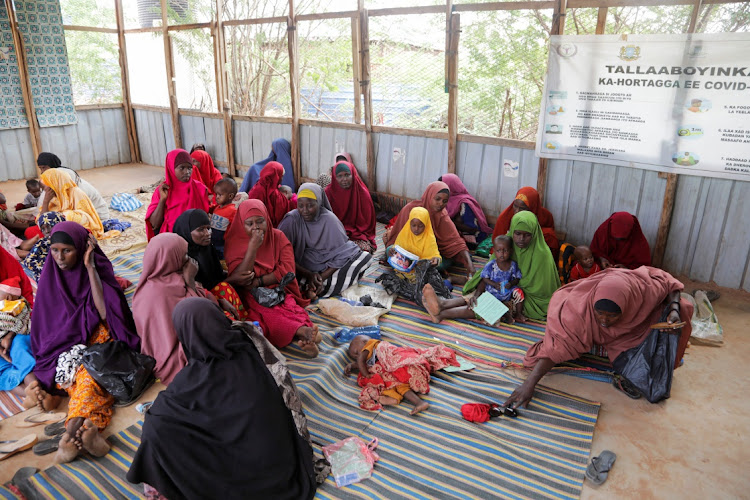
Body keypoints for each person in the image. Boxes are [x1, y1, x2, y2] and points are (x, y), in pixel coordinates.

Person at [127, 298, 317, 500]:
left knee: (155, 427)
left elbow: (163, 418)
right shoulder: (254, 347)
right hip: (280, 465)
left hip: (242, 477)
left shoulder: (196, 377)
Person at [28, 221, 140, 463]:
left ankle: (70, 434)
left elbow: (104, 314)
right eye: (55, 250)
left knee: (91, 374)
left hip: (97, 342)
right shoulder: (50, 278)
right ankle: (88, 430)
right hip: (65, 349)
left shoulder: (98, 271)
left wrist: (90, 268)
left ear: (81, 248)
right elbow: (44, 331)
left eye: (67, 250)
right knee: (84, 377)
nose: (59, 257)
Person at [503, 267, 693, 408]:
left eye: (612, 316)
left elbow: (670, 284)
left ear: (626, 307)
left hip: (634, 325)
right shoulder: (577, 312)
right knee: (561, 346)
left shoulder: (642, 290)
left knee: (683, 307)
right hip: (582, 312)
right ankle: (594, 344)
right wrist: (529, 384)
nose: (604, 320)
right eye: (600, 313)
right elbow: (557, 350)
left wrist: (674, 311)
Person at [133, 233, 236, 385]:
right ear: (170, 257)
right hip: (178, 353)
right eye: (184, 254)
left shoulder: (155, 283)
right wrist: (190, 282)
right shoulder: (161, 292)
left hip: (184, 341)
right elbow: (200, 317)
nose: (188, 258)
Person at [224, 200, 320, 357]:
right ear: (242, 223)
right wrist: (252, 248)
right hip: (249, 293)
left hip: (279, 287)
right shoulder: (234, 242)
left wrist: (260, 281)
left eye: (260, 221)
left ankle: (306, 332)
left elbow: (288, 271)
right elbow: (242, 278)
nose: (256, 227)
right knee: (261, 316)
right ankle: (303, 332)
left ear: (267, 220)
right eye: (250, 223)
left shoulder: (278, 237)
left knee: (288, 306)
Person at [279, 184, 372, 299]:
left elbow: (345, 252)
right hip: (301, 267)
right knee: (285, 273)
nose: (305, 211)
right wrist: (309, 274)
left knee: (365, 257)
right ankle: (317, 286)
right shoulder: (292, 219)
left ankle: (313, 286)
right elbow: (281, 252)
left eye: (310, 205)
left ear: (319, 203)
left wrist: (321, 277)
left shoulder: (330, 220)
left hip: (327, 267)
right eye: (300, 205)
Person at [422, 235, 525, 325]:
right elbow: (484, 280)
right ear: (494, 251)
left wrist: (511, 283)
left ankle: (441, 314)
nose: (502, 254)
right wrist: (477, 295)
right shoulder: (492, 265)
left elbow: (516, 279)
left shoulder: (513, 265)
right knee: (471, 300)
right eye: (498, 251)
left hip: (502, 301)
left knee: (474, 309)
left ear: (510, 251)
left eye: (505, 251)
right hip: (489, 294)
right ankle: (441, 305)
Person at [344, 335, 458, 414]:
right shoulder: (370, 358)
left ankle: (394, 396)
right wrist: (351, 366)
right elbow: (363, 363)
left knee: (392, 375)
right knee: (399, 385)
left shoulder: (371, 345)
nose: (358, 355)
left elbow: (361, 362)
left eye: (356, 352)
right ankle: (419, 402)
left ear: (364, 342)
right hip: (398, 372)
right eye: (354, 356)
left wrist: (365, 374)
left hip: (397, 362)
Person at [385, 181, 476, 280]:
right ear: (429, 196)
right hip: (406, 251)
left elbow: (456, 242)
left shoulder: (442, 215)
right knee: (390, 251)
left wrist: (469, 264)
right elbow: (397, 238)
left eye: (445, 201)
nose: (441, 204)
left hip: (427, 253)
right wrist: (395, 250)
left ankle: (421, 269)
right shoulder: (410, 210)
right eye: (437, 199)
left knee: (441, 263)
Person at [173, 209, 246, 320]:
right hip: (196, 304)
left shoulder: (206, 248)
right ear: (187, 231)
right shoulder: (182, 259)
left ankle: (242, 322)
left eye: (208, 228)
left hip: (210, 295)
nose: (208, 233)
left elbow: (216, 277)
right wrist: (218, 300)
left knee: (225, 288)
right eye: (201, 230)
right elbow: (190, 295)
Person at [146, 149, 209, 241]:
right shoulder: (163, 190)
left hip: (197, 238)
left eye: (189, 168)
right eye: (182, 168)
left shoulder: (200, 188)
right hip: (173, 238)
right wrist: (162, 200)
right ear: (171, 168)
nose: (187, 172)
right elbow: (154, 225)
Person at [36, 152, 110, 221]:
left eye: (44, 167)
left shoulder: (74, 188)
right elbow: (42, 217)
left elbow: (76, 215)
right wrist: (46, 201)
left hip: (97, 218)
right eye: (40, 168)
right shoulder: (50, 186)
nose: (42, 172)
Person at [325, 157, 377, 253]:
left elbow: (368, 225)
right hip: (335, 232)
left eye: (347, 175)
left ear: (353, 174)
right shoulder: (328, 193)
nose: (344, 179)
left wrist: (351, 233)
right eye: (339, 176)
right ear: (334, 177)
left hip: (357, 235)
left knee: (362, 250)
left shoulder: (362, 193)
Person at [39, 168, 109, 239]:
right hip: (56, 226)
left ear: (55, 183)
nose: (45, 190)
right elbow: (42, 218)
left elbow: (86, 217)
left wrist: (62, 216)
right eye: (44, 189)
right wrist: (46, 202)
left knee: (67, 215)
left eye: (47, 187)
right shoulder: (51, 196)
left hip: (79, 226)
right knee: (31, 231)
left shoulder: (76, 192)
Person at [492, 186, 559, 260]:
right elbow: (498, 242)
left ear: (532, 207)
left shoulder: (546, 216)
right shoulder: (505, 217)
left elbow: (550, 239)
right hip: (512, 250)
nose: (517, 211)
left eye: (522, 208)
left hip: (536, 251)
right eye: (515, 206)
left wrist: (534, 236)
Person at [439, 173, 493, 247]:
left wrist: (449, 222)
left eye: (443, 188)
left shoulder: (465, 203)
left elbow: (472, 229)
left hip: (473, 239)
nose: (440, 191)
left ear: (451, 187)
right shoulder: (448, 200)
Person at [247, 161, 296, 227]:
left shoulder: (257, 187)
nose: (281, 179)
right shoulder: (269, 192)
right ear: (276, 176)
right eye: (281, 176)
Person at [22, 212, 66, 281]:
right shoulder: (42, 242)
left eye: (50, 226)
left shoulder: (67, 242)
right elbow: (29, 260)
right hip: (35, 273)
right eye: (43, 229)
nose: (47, 231)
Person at [208, 177, 238, 258]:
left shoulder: (233, 211)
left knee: (222, 257)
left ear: (230, 196)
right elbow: (209, 208)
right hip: (213, 238)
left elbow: (236, 228)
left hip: (222, 242)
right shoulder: (218, 207)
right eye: (216, 194)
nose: (217, 197)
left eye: (220, 195)